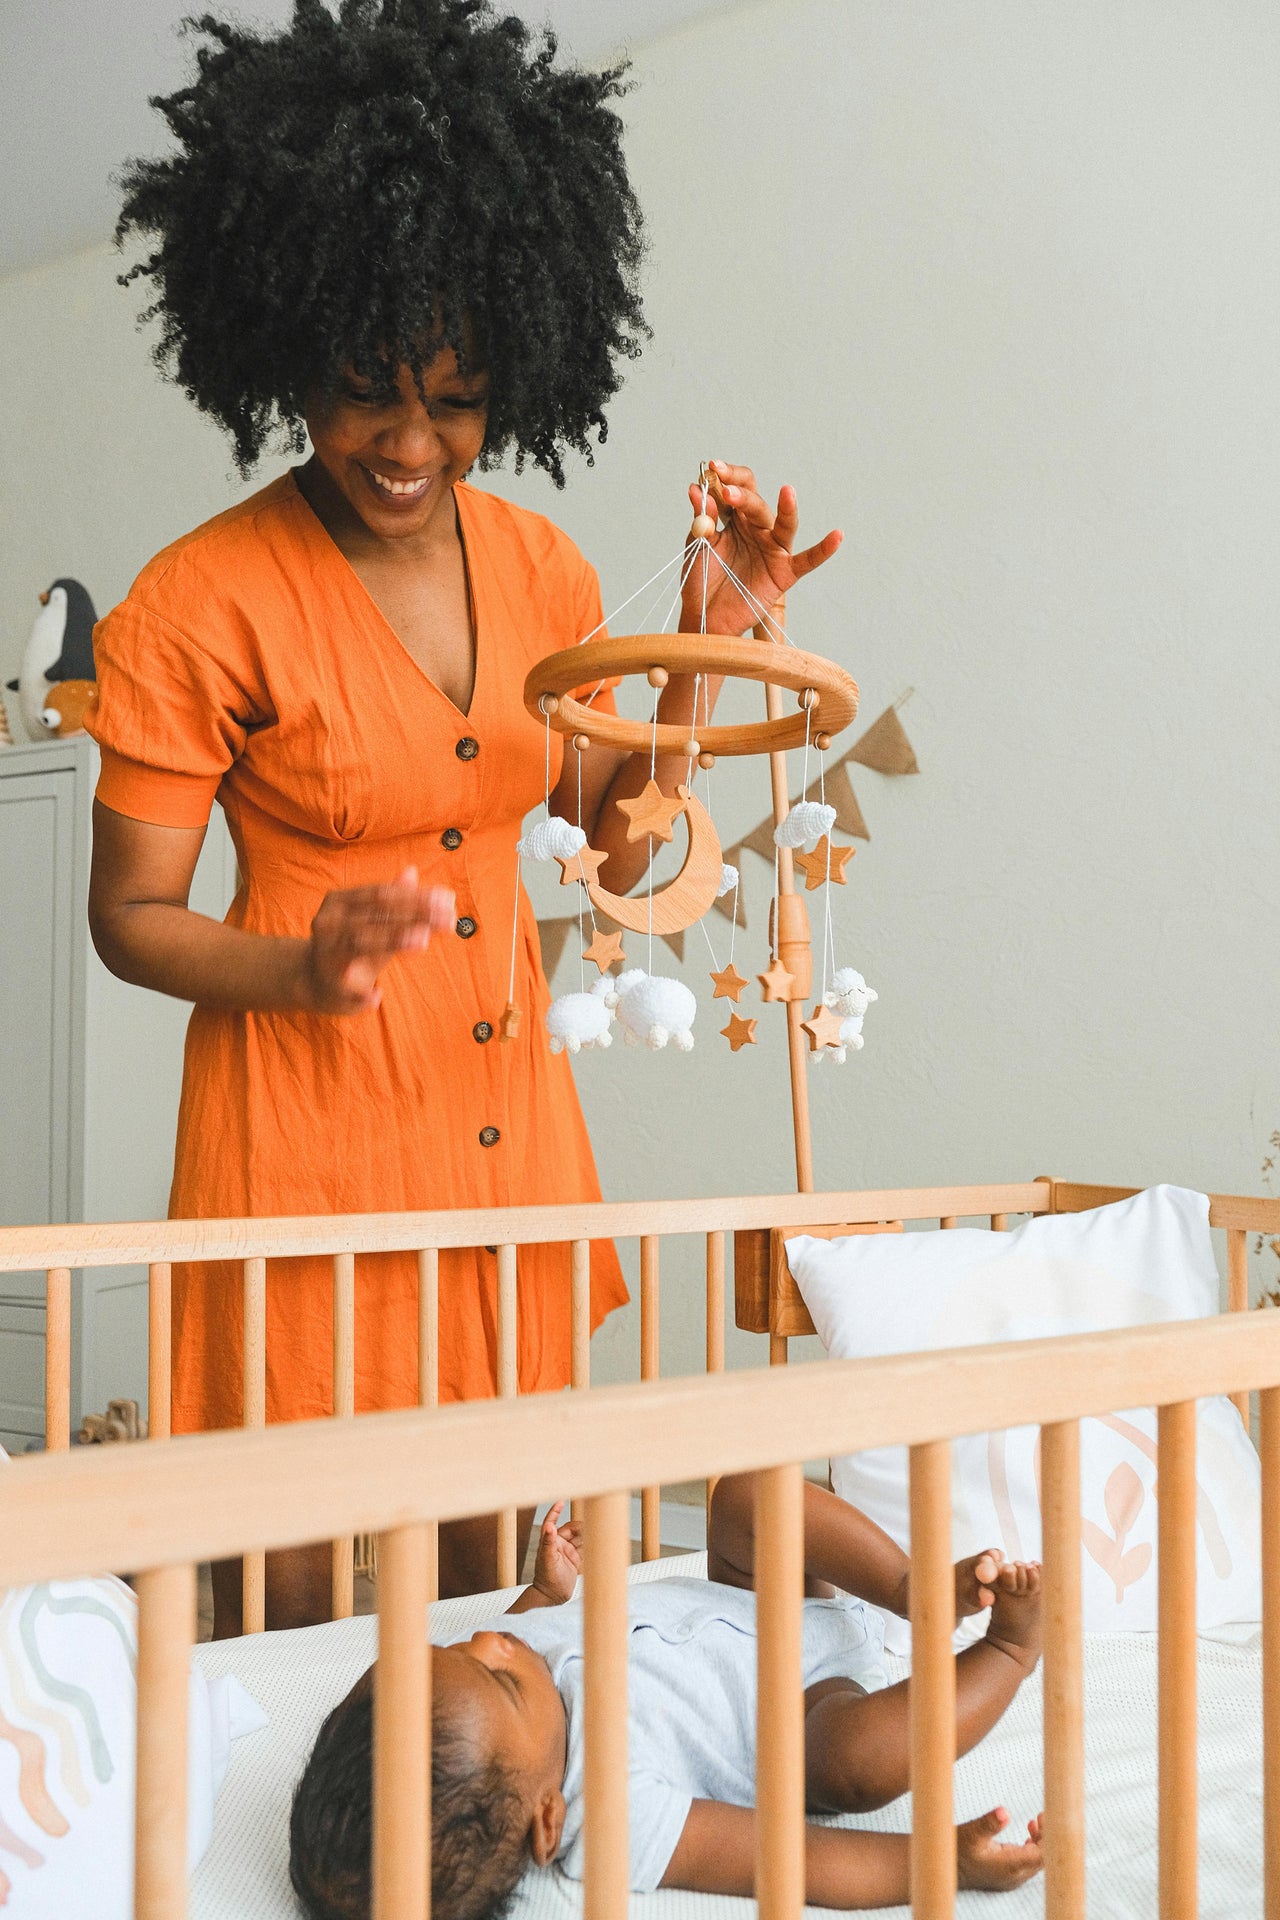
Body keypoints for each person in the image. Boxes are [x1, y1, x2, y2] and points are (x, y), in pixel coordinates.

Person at [86, 0, 841, 1631]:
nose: (411, 442)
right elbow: (128, 916)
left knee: (491, 1572)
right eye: (368, 391)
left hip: (499, 1122)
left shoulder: (546, 572)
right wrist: (303, 966)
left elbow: (620, 845)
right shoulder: (195, 601)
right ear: (286, 348)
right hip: (296, 1131)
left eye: (457, 395)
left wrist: (705, 643)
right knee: (296, 1590)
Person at [290, 1478, 1044, 1916]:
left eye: (453, 1647)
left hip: (755, 1599)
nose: (490, 1643)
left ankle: (911, 1588)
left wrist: (546, 1593)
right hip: (810, 1704)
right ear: (548, 1820)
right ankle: (1008, 1650)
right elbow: (791, 1859)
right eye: (498, 1675)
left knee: (745, 1498)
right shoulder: (608, 1812)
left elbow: (504, 1630)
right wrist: (943, 1862)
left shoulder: (502, 1664)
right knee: (854, 1763)